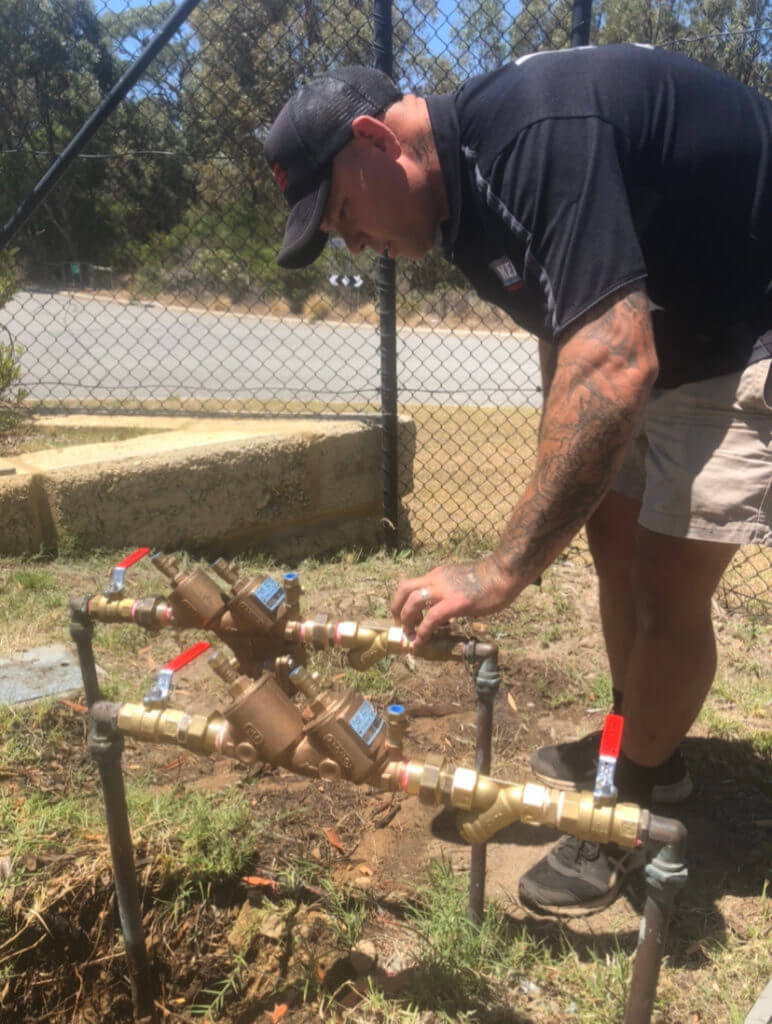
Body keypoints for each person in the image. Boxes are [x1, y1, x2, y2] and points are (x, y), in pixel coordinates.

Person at [264, 44, 772, 914]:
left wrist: (501, 570)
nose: (352, 241)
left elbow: (614, 360)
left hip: (745, 322)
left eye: (342, 211)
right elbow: (565, 327)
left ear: (375, 138)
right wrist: (572, 457)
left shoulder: (535, 133)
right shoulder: (453, 205)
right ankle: (634, 742)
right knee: (612, 545)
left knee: (660, 591)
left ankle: (628, 798)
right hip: (660, 330)